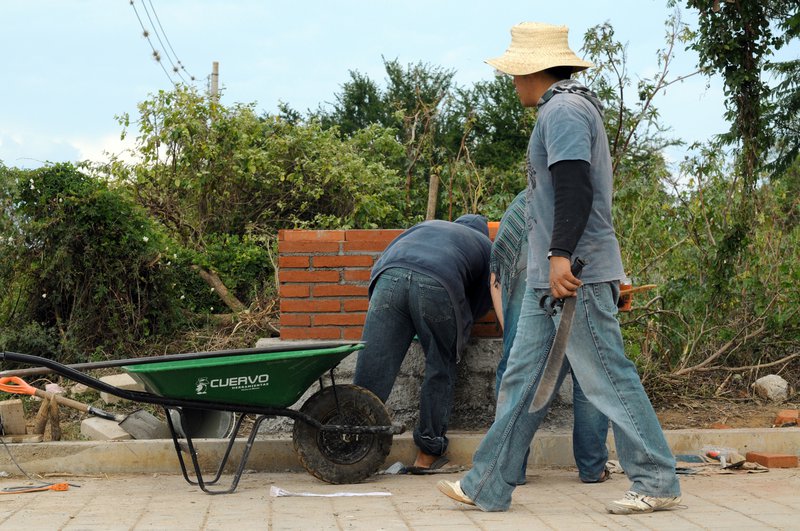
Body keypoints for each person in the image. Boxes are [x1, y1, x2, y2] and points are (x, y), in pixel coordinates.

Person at [437, 22, 681, 514]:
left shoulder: (565, 110)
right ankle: (488, 483)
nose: (511, 82)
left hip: (574, 275)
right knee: (523, 377)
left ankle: (656, 480)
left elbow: (575, 187)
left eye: (514, 72)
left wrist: (559, 256)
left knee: (606, 376)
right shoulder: (558, 109)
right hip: (549, 277)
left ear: (533, 70)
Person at [353, 214, 492, 472]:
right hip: (439, 283)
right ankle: (427, 455)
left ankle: (352, 446)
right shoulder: (484, 245)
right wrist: (453, 330)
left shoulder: (424, 226)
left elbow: (382, 264)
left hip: (388, 277)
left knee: (373, 364)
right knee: (441, 366)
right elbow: (482, 302)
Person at [491, 190, 610, 485]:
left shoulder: (522, 205)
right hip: (567, 261)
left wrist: (512, 336)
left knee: (514, 369)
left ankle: (507, 471)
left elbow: (495, 279)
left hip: (529, 265)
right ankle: (593, 467)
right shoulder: (578, 196)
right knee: (591, 369)